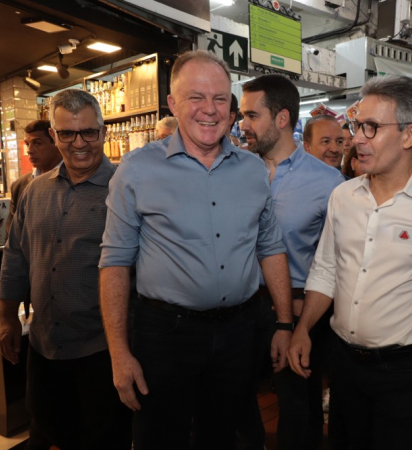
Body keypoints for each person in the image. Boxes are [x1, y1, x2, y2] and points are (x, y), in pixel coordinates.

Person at [98, 50, 293, 450]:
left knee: (222, 436)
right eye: (196, 97)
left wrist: (286, 324)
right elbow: (115, 262)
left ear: (232, 107)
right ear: (172, 103)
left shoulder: (254, 169)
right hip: (165, 335)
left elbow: (271, 248)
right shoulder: (136, 169)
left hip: (240, 331)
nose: (210, 110)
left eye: (220, 99)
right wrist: (119, 353)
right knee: (159, 437)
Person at [287, 75, 412, 449]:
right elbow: (326, 269)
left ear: (409, 136)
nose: (357, 138)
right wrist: (303, 328)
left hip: (406, 372)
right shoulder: (343, 196)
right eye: (357, 125)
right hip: (344, 365)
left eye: (371, 127)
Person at [0, 89, 131, 449]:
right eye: (68, 133)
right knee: (47, 431)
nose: (79, 143)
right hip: (44, 345)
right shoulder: (33, 191)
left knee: (106, 438)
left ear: (103, 132)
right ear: (55, 136)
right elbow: (15, 255)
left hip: (101, 350)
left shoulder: (125, 192)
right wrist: (7, 316)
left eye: (88, 132)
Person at [237, 74, 345, 450]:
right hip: (237, 308)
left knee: (298, 411)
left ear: (282, 119)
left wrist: (305, 315)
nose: (242, 124)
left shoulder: (329, 183)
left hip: (298, 312)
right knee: (235, 404)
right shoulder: (232, 170)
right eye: (241, 115)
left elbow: (335, 260)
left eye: (251, 115)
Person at [7, 120, 63, 233]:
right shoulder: (20, 185)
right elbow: (12, 234)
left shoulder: (74, 178)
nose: (29, 150)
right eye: (27, 144)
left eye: (37, 143)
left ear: (56, 143)